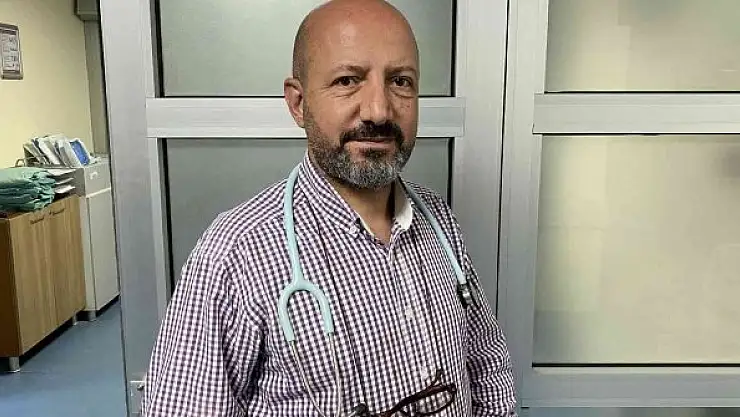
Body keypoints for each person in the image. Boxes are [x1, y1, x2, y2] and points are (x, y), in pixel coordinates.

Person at [141, 0, 517, 416]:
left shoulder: (437, 220)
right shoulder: (236, 253)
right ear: (298, 103)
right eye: (347, 80)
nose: (379, 110)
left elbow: (487, 364)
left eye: (400, 81)